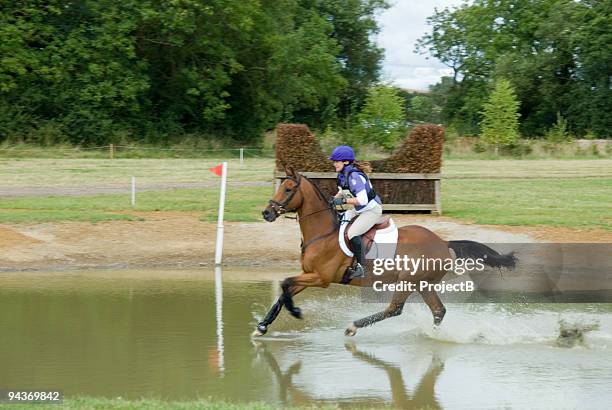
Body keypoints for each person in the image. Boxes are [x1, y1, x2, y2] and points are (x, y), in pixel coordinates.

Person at [329, 145, 383, 279]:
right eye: (334, 161)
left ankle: (362, 267)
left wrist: (343, 202)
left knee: (352, 233)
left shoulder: (355, 176)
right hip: (358, 209)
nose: (334, 164)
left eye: (336, 161)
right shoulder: (342, 175)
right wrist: (334, 199)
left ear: (346, 162)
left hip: (371, 210)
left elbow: (363, 199)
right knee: (340, 221)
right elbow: (343, 191)